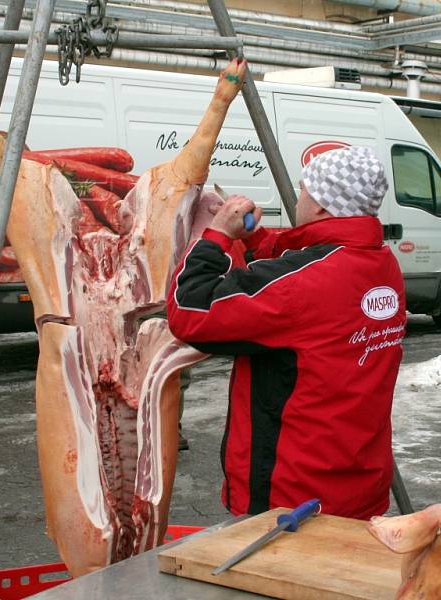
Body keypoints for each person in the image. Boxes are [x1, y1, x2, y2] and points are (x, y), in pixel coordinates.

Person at [166, 146, 406, 519]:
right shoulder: (379, 262)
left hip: (294, 499)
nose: (300, 198)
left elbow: (191, 310)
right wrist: (253, 237)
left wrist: (214, 238)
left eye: (304, 190)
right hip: (357, 484)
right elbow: (298, 274)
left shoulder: (307, 281)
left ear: (324, 205)